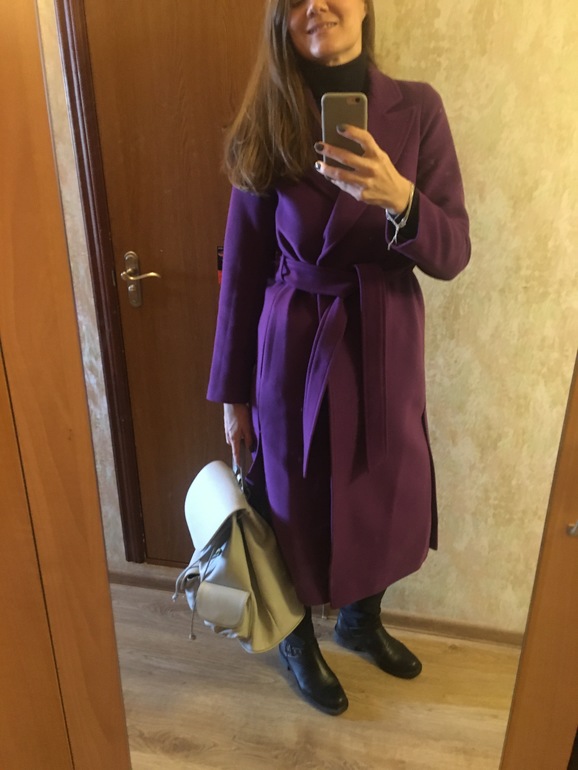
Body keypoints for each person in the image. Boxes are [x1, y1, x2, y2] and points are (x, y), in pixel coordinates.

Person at [207, 0, 470, 716]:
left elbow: (454, 251)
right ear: (281, 20)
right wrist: (233, 397)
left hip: (383, 337)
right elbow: (243, 269)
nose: (316, 5)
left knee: (387, 491)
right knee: (287, 498)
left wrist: (401, 198)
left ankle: (360, 621)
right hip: (291, 344)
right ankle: (296, 640)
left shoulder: (418, 109)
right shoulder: (268, 118)